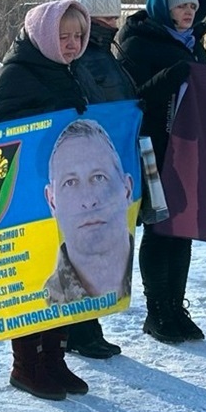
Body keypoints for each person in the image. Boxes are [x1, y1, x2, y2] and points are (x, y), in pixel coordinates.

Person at [0, 0, 94, 401]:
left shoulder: (70, 71)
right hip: (26, 195)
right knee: (33, 279)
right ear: (44, 36)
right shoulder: (14, 75)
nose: (71, 44)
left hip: (65, 193)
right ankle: (26, 364)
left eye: (78, 36)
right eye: (63, 37)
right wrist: (50, 120)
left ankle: (55, 358)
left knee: (64, 276)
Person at [117, 0, 206, 344]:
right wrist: (170, 78)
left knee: (183, 229)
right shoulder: (138, 44)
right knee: (161, 228)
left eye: (192, 6)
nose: (188, 12)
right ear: (163, 7)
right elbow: (134, 99)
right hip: (153, 148)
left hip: (188, 149)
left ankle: (175, 306)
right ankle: (156, 311)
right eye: (180, 6)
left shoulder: (193, 44)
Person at [62, 0, 138, 359]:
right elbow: (102, 105)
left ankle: (87, 326)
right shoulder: (91, 59)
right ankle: (80, 329)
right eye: (103, 19)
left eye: (114, 17)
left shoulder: (107, 55)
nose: (111, 25)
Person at [43, 119, 134, 308]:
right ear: (52, 201)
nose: (88, 200)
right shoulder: (43, 301)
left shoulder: (153, 273)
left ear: (127, 189)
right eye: (70, 182)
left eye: (99, 178)